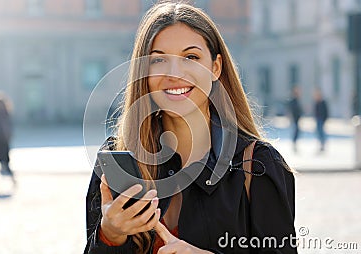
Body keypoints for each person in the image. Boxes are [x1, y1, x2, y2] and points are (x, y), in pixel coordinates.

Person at [85, 2, 297, 254]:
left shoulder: (259, 165)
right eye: (159, 59)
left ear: (215, 68)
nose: (174, 73)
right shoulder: (116, 159)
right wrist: (110, 235)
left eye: (191, 57)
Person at [288, 86, 302, 152]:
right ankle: (294, 144)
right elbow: (290, 111)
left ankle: (295, 144)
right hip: (294, 119)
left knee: (297, 132)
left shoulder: (297, 100)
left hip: (297, 119)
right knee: (295, 132)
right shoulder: (293, 101)